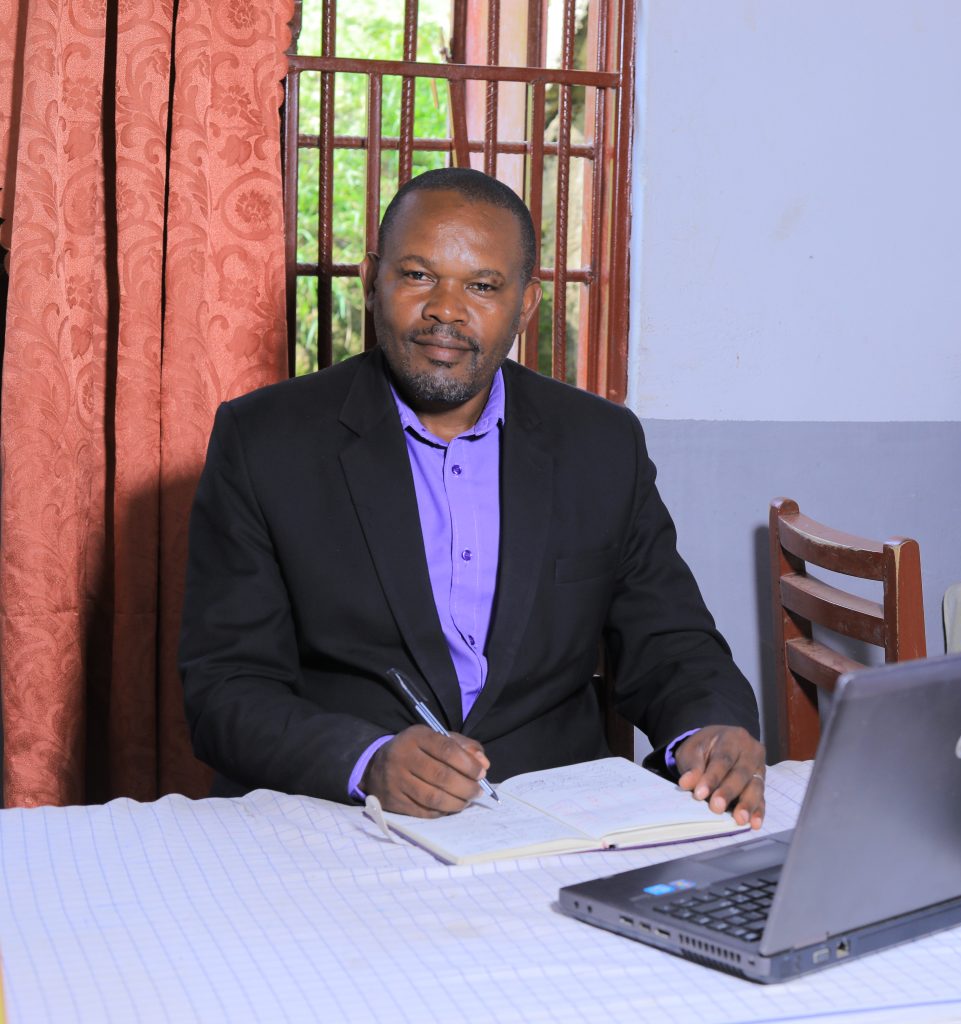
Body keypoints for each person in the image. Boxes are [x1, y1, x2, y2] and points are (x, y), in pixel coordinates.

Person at [180, 167, 765, 825]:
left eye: (482, 286)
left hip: (553, 820)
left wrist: (708, 731)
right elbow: (225, 688)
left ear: (526, 303)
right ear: (371, 279)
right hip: (342, 819)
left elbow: (671, 642)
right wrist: (367, 762)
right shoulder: (264, 441)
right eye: (418, 275)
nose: (446, 310)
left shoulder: (601, 444)